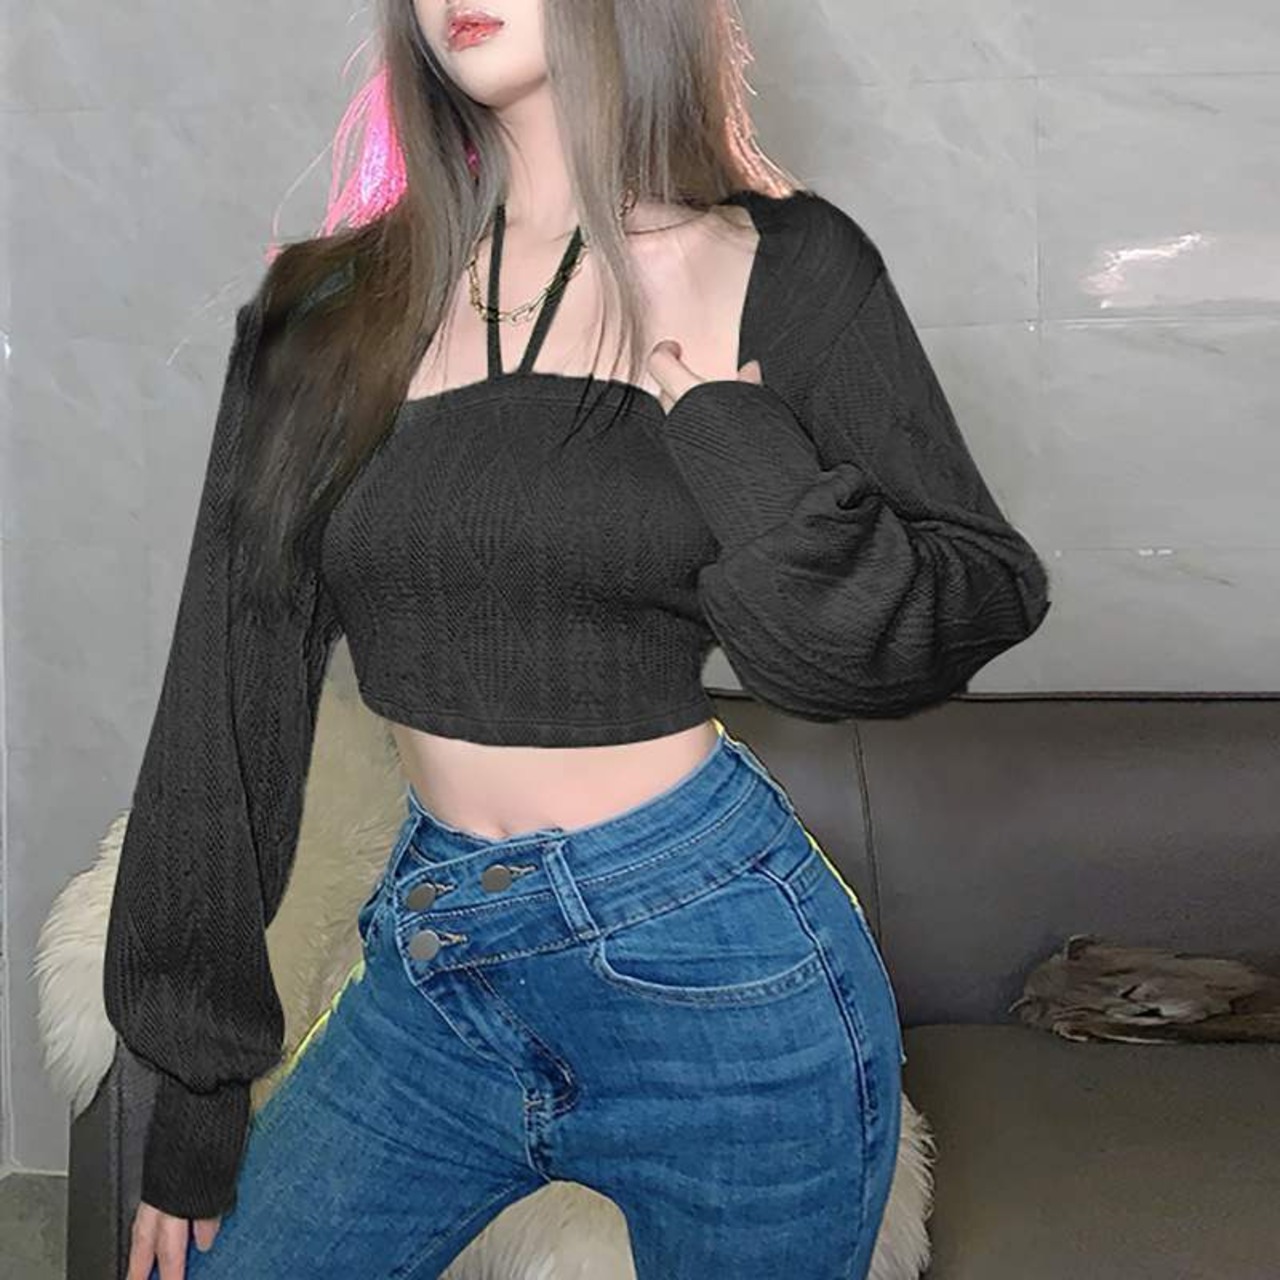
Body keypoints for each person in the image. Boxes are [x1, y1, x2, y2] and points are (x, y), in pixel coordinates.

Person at [105, 1, 1052, 1277]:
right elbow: (228, 690)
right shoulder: (320, 308)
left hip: (716, 962)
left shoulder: (776, 264)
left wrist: (741, 449)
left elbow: (962, 600)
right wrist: (194, 1081)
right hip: (435, 962)